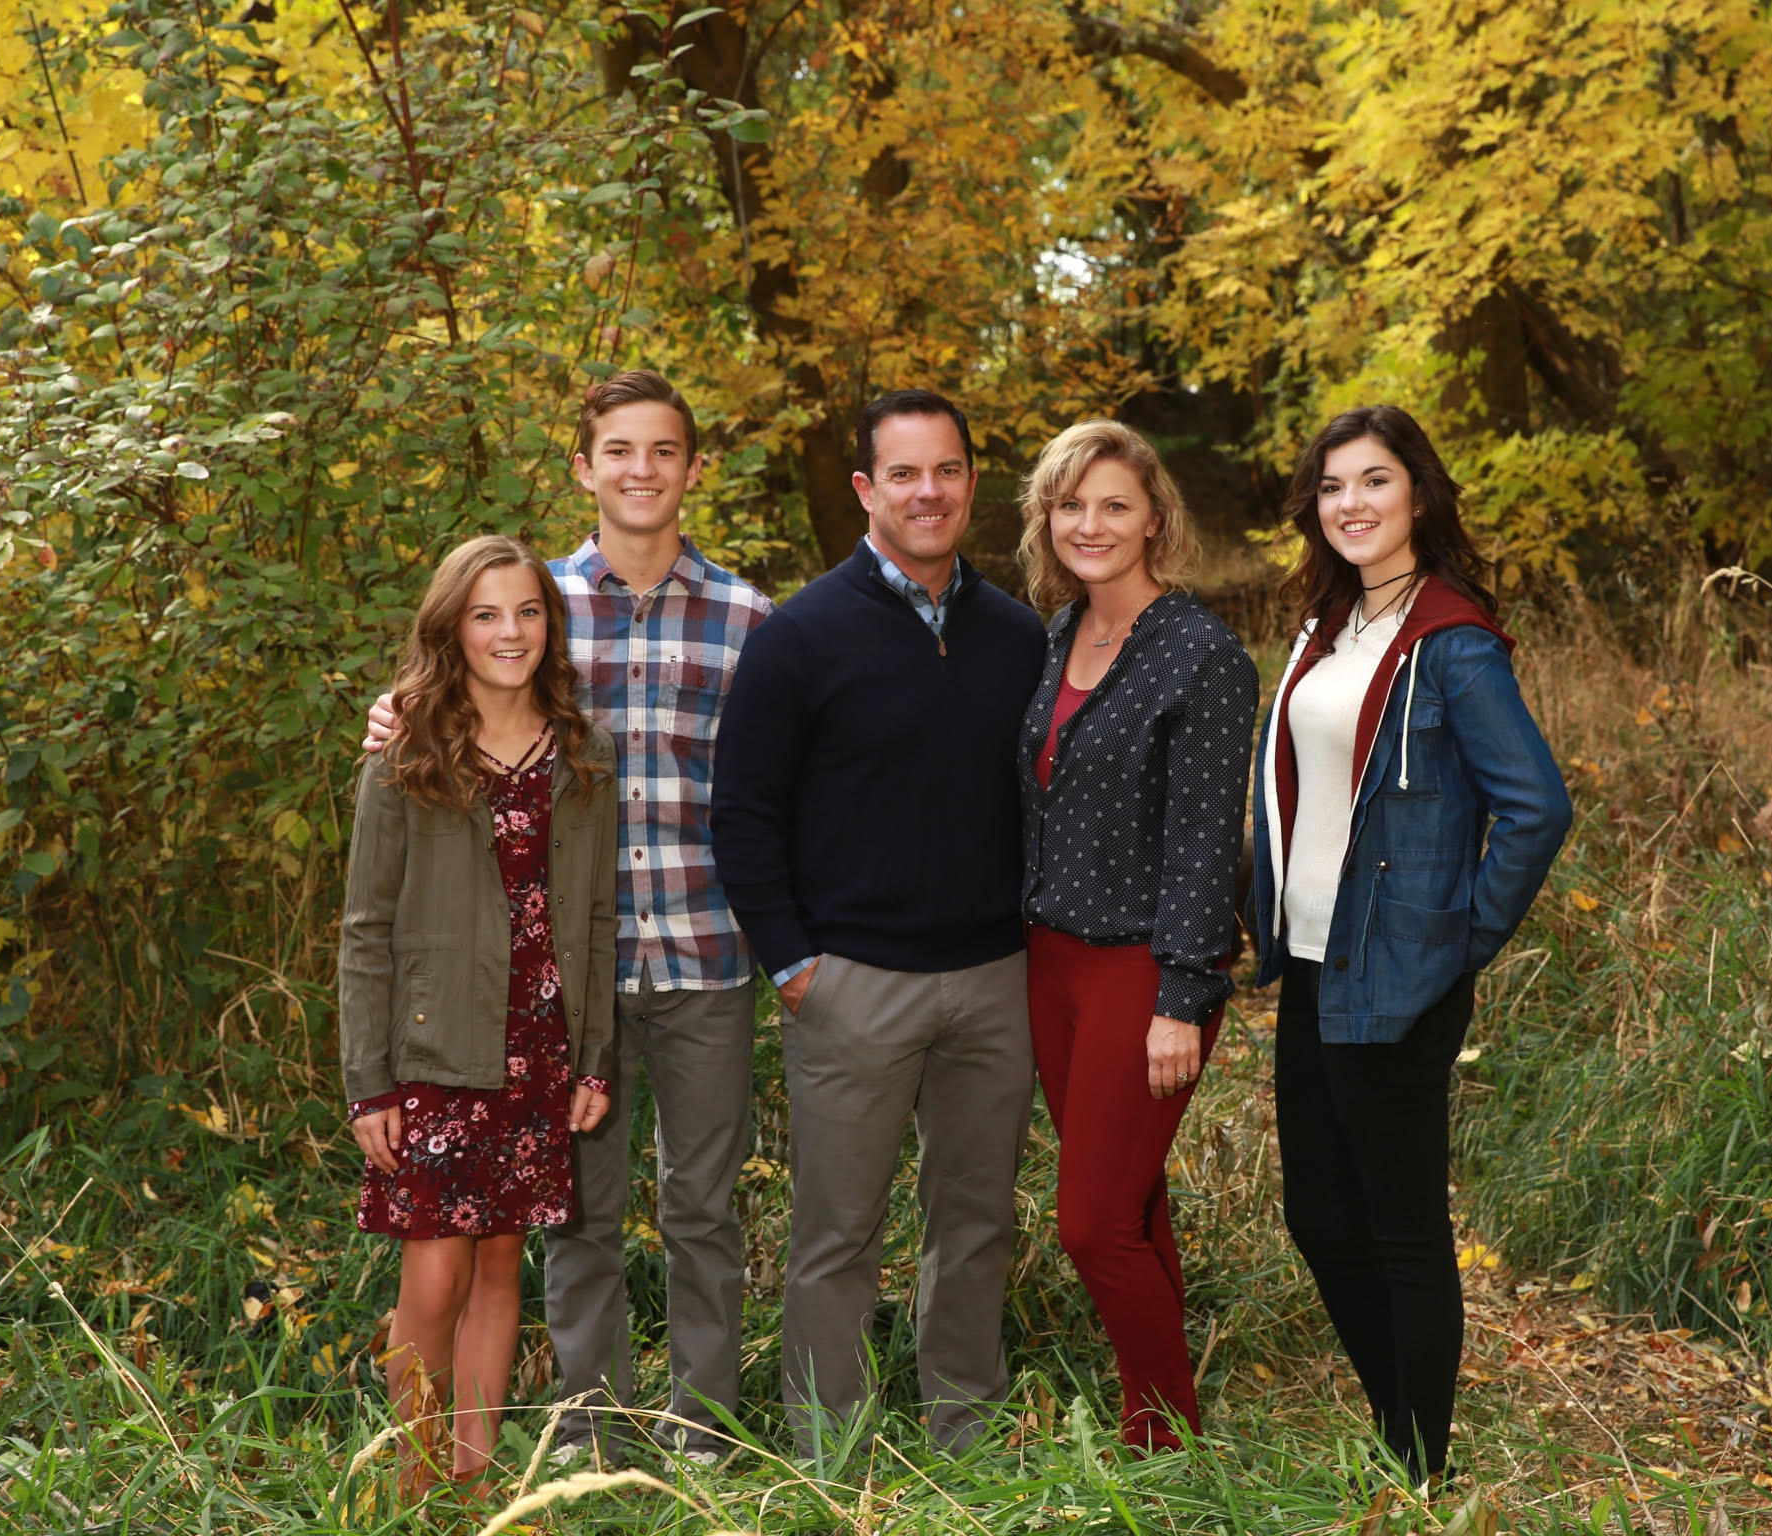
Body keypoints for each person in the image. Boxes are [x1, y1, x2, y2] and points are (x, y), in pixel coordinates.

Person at [365, 371, 774, 1466]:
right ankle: (592, 1428)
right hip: (550, 982)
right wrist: (396, 711)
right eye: (620, 450)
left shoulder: (749, 620)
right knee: (573, 1215)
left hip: (702, 949)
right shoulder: (530, 606)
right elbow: (445, 694)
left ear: (694, 469)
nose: (643, 470)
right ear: (583, 467)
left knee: (702, 1207)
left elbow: (782, 783)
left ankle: (705, 1425)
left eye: (664, 450)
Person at [709, 388, 1047, 1452]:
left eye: (946, 470)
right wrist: (792, 963)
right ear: (866, 488)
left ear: (972, 483)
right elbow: (744, 811)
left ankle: (965, 1428)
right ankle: (828, 1443)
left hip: (994, 979)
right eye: (904, 473)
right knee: (837, 1233)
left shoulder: (1019, 635)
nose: (927, 492)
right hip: (851, 983)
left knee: (976, 1222)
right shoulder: (799, 636)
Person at [1244, 405, 1572, 1486]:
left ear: (1419, 496)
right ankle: (1403, 1426)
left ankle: (1418, 1465)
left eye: (1374, 480)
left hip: (1398, 970)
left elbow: (1536, 805)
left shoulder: (1452, 642)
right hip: (1312, 957)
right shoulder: (1329, 625)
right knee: (1317, 1213)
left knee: (1401, 1225)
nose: (1352, 503)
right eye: (1332, 485)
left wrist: (1458, 940)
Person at [339, 534, 618, 1498]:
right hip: (434, 1047)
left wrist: (592, 1058)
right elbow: (365, 928)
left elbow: (595, 917)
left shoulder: (582, 753)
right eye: (486, 614)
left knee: (502, 1263)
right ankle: (413, 1487)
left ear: (551, 624)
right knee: (434, 1278)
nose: (511, 632)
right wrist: (368, 1083)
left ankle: (474, 1484)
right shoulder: (406, 755)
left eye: (528, 611)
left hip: (538, 1046)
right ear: (451, 629)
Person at [1012, 421, 1258, 1453]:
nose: (1091, 524)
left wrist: (1183, 996)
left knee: (1091, 1223)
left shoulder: (1202, 655)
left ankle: (1164, 1438)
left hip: (1139, 968)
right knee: (1130, 1198)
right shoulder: (1058, 635)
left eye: (1115, 504)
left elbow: (1206, 839)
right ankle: (1160, 1411)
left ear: (1156, 517)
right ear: (1046, 519)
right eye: (1071, 505)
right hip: (1049, 963)